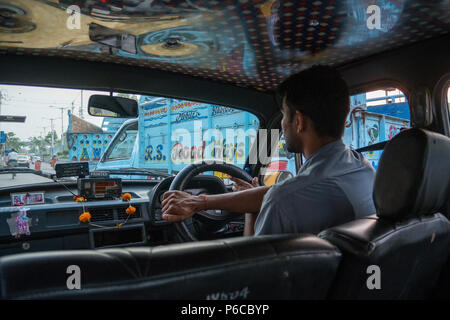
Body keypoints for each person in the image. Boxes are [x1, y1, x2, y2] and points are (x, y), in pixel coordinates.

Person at [162, 65, 376, 236]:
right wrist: (202, 202)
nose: (283, 123)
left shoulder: (285, 201)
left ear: (299, 122)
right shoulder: (363, 169)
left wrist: (250, 213)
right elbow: (284, 193)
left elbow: (250, 271)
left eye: (283, 115)